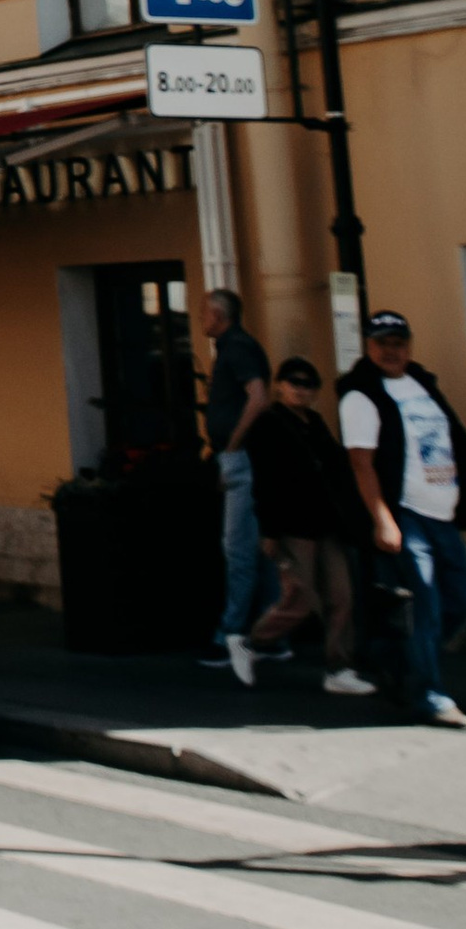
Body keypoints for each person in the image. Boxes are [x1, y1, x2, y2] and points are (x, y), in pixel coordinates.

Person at [339, 306, 466, 730]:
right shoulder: (361, 395)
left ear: (408, 346)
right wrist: (383, 519)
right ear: (369, 347)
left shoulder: (422, 385)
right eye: (382, 343)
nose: (392, 351)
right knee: (426, 601)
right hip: (407, 513)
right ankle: (431, 696)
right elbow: (361, 463)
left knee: (460, 602)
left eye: (398, 343)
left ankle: (396, 658)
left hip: (442, 512)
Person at [245, 358, 371, 690]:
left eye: (308, 384)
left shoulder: (315, 422)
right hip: (292, 523)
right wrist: (269, 530)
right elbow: (265, 481)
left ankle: (339, 668)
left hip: (326, 522)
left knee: (341, 594)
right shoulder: (267, 424)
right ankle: (253, 641)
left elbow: (335, 469)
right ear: (280, 385)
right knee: (302, 599)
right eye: (294, 382)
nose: (301, 389)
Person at [199, 287, 275, 683]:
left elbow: (258, 398)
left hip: (241, 457)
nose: (200, 320)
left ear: (217, 314)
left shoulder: (238, 349)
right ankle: (272, 631)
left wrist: (232, 445)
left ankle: (231, 634)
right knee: (256, 549)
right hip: (243, 456)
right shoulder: (236, 347)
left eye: (203, 312)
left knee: (238, 548)